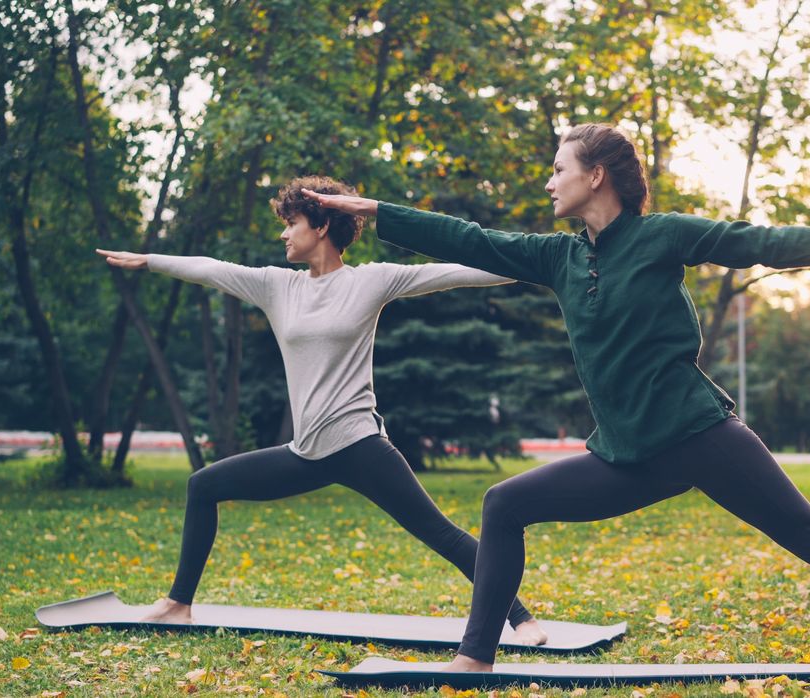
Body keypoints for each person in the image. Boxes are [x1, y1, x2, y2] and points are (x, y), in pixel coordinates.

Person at [304, 123, 810, 671]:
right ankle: (474, 661)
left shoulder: (660, 237)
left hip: (701, 437)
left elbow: (763, 243)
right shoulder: (559, 258)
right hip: (625, 455)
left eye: (558, 168)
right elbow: (472, 239)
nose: (548, 179)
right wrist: (374, 212)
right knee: (505, 503)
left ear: (597, 176)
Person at [95, 175, 547, 645]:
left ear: (323, 226)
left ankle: (521, 618)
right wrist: (150, 260)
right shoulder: (277, 287)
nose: (284, 233)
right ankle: (177, 604)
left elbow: (453, 273)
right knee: (203, 486)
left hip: (360, 447)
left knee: (443, 535)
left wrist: (538, 264)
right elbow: (210, 269)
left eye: (291, 223)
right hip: (305, 452)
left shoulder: (370, 280)